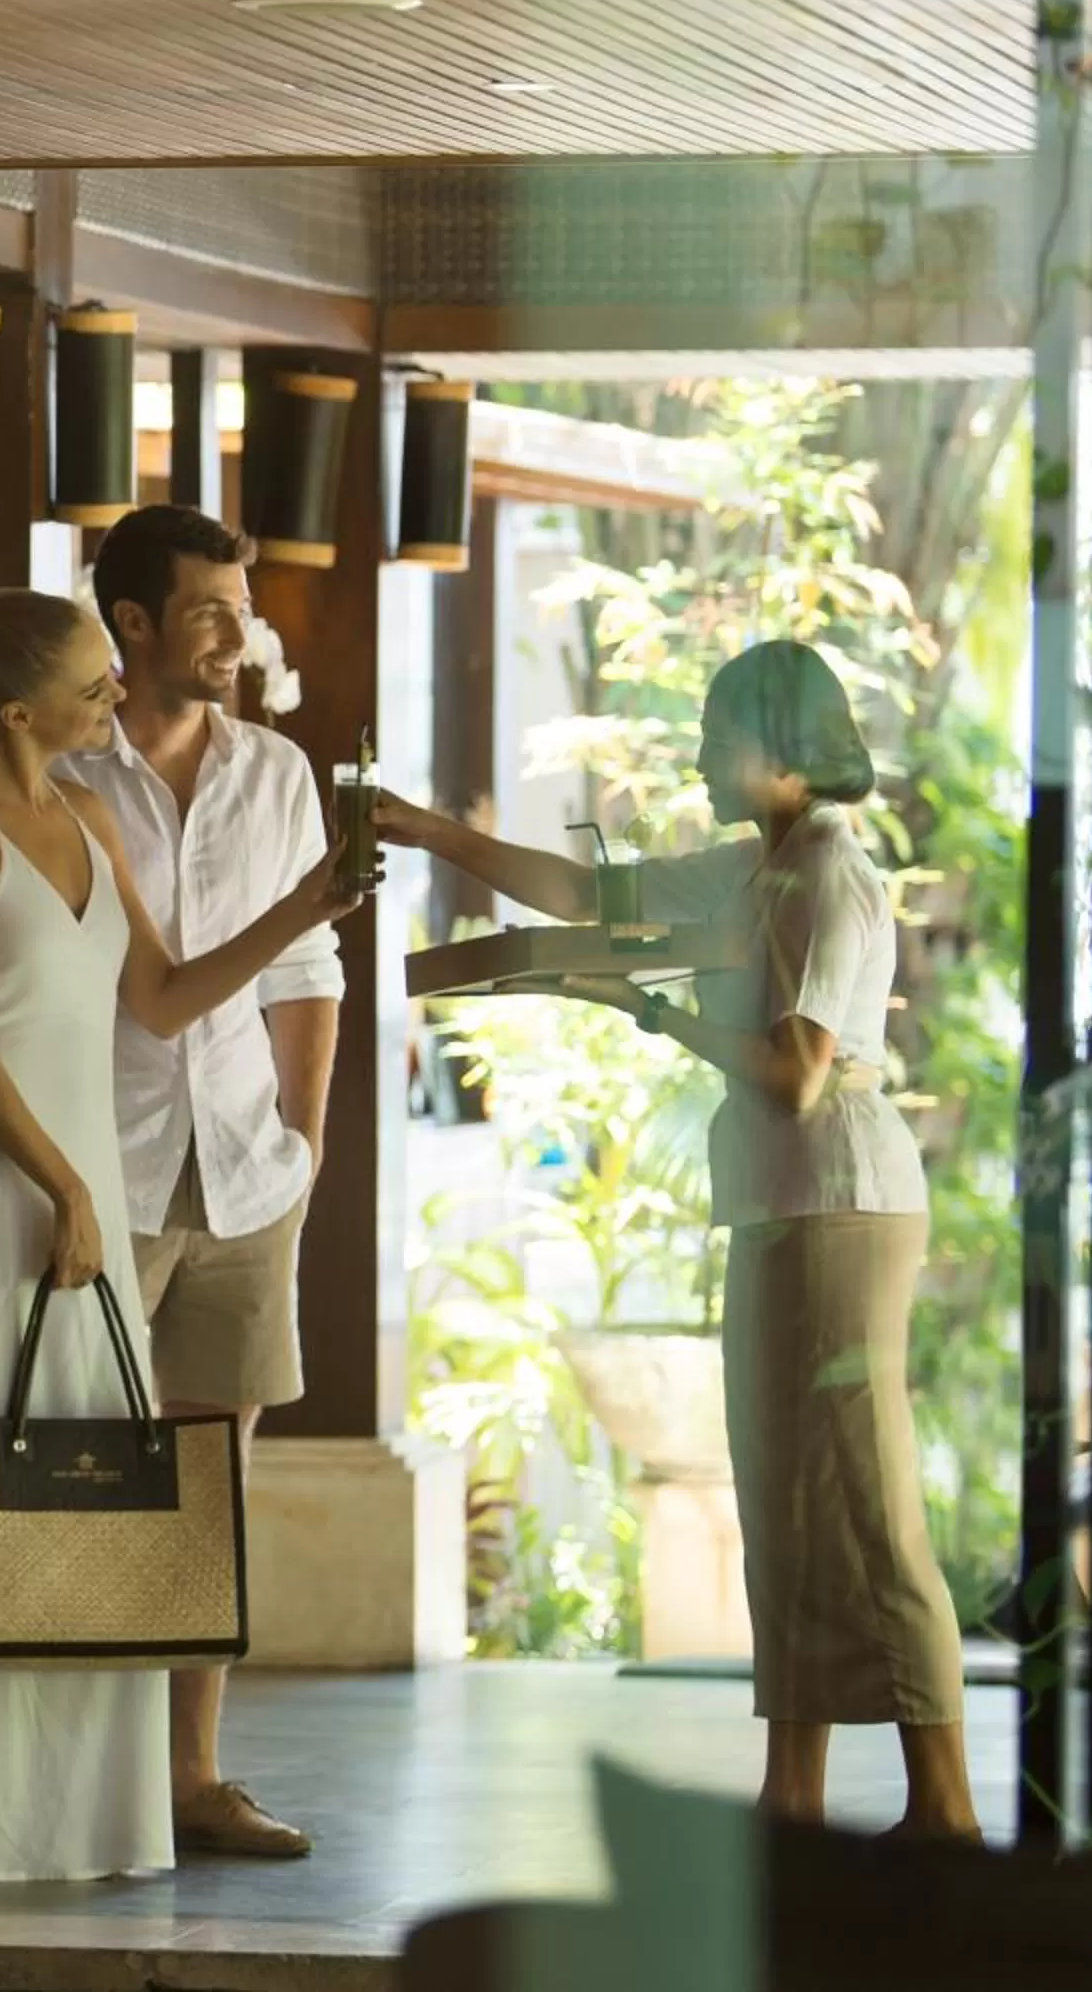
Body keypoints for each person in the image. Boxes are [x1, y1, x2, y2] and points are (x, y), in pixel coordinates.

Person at [377, 639, 979, 1840]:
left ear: (773, 749)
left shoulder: (820, 878)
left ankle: (947, 1810)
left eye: (715, 740)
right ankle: (792, 1797)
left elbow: (796, 1077)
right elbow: (591, 895)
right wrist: (433, 834)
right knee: (785, 1503)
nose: (700, 761)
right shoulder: (758, 868)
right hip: (785, 1203)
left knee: (864, 1505)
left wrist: (647, 1010)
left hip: (838, 1199)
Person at [0, 587, 369, 1882]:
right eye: (94, 687)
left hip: (71, 1176)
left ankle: (71, 1810)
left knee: (92, 1490)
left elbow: (162, 996)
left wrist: (305, 907)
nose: (115, 701)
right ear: (18, 708)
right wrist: (66, 1187)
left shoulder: (85, 813)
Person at [59, 504, 341, 1861]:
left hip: (243, 1168)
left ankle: (191, 1775)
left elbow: (307, 974)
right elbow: (139, 993)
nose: (238, 635)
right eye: (211, 611)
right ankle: (84, 1777)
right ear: (132, 623)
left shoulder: (277, 771)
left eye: (245, 607)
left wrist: (309, 1139)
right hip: (98, 1166)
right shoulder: (60, 769)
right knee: (83, 1467)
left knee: (210, 1478)